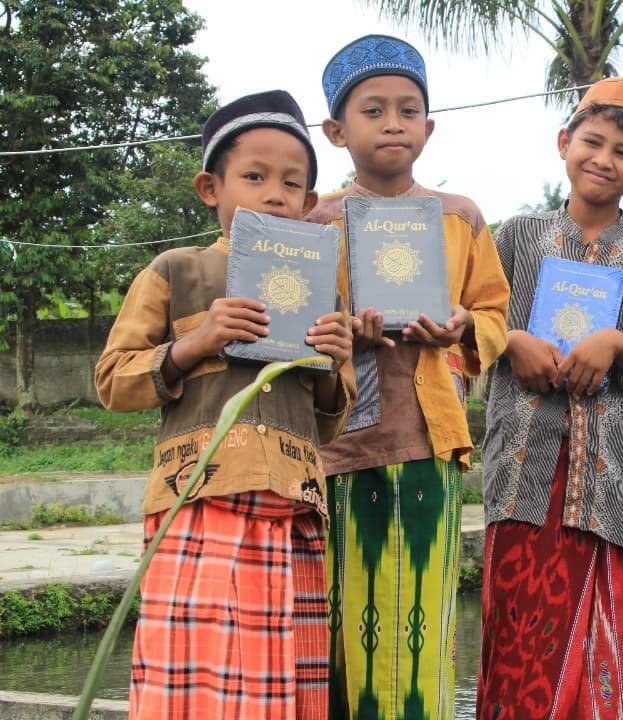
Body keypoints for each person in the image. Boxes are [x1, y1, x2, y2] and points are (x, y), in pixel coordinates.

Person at [95, 90, 355, 720]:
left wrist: (332, 358)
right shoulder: (176, 271)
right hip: (199, 504)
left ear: (309, 203)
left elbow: (330, 416)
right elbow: (112, 380)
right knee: (195, 683)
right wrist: (196, 342)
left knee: (283, 685)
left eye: (291, 184)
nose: (275, 195)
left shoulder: (324, 288)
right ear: (210, 188)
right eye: (254, 177)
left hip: (293, 510)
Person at [307, 34, 511, 720]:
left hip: (430, 442)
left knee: (421, 627)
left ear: (429, 126)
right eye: (373, 110)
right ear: (337, 131)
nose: (393, 123)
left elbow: (495, 312)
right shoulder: (316, 220)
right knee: (338, 625)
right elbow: (297, 321)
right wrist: (342, 329)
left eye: (408, 109)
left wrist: (462, 326)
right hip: (338, 448)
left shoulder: (460, 216)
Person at [477, 76, 623, 720]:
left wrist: (616, 344)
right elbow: (474, 323)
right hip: (522, 474)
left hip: (608, 486)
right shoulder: (515, 237)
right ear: (563, 143)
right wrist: (514, 339)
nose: (603, 159)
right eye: (591, 142)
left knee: (605, 653)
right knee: (513, 646)